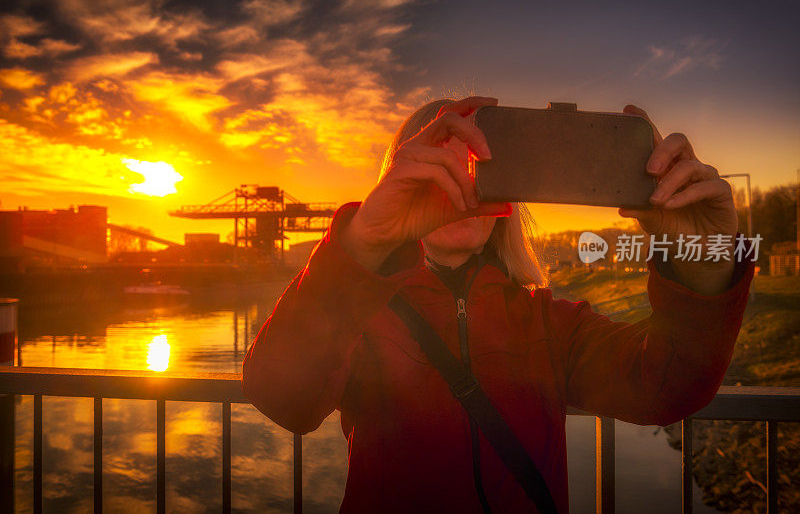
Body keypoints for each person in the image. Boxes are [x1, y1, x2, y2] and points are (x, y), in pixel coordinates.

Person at [242, 96, 754, 513]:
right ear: (399, 178)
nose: (464, 184)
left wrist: (707, 260)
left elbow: (668, 389)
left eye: (483, 165)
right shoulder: (359, 312)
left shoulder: (552, 321)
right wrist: (365, 242)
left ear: (510, 192)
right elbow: (284, 399)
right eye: (443, 164)